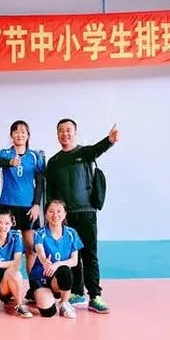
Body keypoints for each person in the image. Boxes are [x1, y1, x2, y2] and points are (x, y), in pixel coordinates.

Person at [45, 118, 120, 314]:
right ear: (57, 134)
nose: (65, 134)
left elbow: (98, 149)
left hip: (86, 212)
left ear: (75, 133)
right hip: (65, 218)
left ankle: (95, 295)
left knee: (89, 255)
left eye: (68, 130)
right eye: (61, 130)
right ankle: (77, 292)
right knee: (73, 256)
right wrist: (51, 216)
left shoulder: (85, 153)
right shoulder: (53, 162)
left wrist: (110, 140)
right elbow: (50, 192)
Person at [0, 120, 45, 301]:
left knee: (31, 247)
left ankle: (34, 288)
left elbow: (40, 182)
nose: (19, 134)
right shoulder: (5, 153)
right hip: (8, 206)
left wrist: (36, 204)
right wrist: (10, 162)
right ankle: (6, 288)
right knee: (7, 247)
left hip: (28, 207)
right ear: (11, 135)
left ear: (28, 135)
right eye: (16, 131)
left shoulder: (34, 156)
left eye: (23, 131)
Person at [29, 200, 84, 319]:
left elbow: (74, 261)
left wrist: (56, 265)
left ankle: (64, 303)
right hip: (41, 276)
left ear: (64, 214)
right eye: (51, 211)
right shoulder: (40, 233)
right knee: (48, 312)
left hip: (58, 278)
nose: (55, 215)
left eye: (59, 211)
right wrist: (45, 261)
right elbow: (39, 250)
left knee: (64, 270)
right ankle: (37, 294)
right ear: (45, 214)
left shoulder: (71, 233)